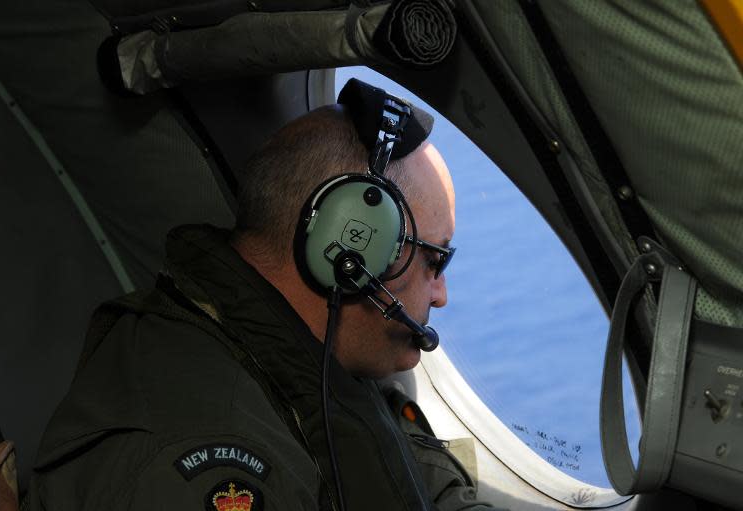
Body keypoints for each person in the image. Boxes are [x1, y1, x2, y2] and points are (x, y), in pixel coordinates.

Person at [28, 79, 495, 510]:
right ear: (350, 251)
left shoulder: (300, 361)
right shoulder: (203, 466)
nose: (440, 295)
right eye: (434, 260)